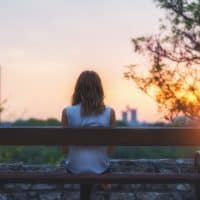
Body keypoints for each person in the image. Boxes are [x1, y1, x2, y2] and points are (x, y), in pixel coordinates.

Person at [61, 70, 116, 200]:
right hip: (100, 168)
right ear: (99, 89)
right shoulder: (109, 113)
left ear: (78, 89)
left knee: (81, 165)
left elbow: (64, 149)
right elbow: (110, 149)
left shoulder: (67, 112)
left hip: (74, 168)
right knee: (104, 168)